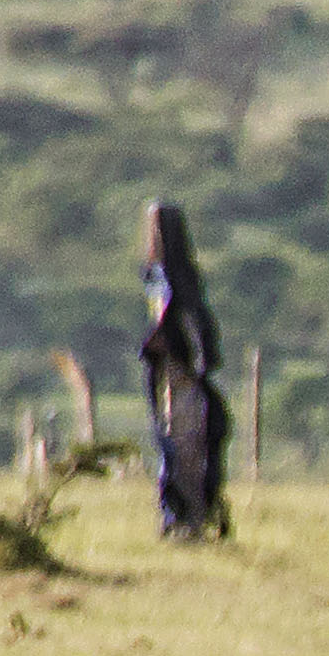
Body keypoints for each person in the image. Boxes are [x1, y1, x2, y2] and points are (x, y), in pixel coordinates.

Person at [137, 200, 229, 541]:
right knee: (182, 443)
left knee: (181, 443)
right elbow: (186, 323)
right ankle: (184, 519)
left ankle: (186, 519)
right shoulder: (176, 275)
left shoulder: (161, 274)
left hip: (176, 373)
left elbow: (169, 319)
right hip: (180, 374)